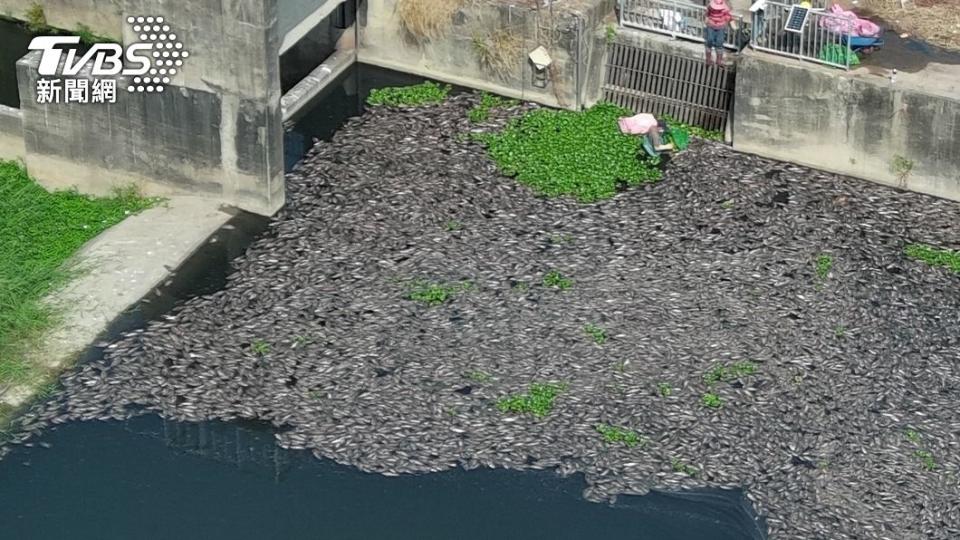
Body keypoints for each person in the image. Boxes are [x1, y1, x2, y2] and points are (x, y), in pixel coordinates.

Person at [705, 0, 733, 66]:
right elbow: (707, 13)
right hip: (711, 26)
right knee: (709, 41)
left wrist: (729, 22)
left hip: (720, 27)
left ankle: (719, 60)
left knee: (719, 43)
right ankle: (708, 59)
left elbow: (728, 16)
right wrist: (706, 20)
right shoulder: (710, 6)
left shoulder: (725, 9)